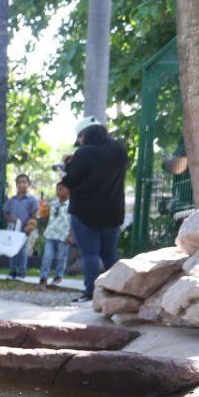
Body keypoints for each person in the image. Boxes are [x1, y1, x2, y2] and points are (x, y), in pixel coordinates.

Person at [63, 117, 128, 300]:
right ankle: (118, 290)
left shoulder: (84, 152)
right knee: (110, 253)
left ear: (84, 135)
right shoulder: (119, 149)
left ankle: (91, 291)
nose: (80, 143)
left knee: (90, 253)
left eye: (80, 139)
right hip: (113, 211)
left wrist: (65, 169)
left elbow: (70, 180)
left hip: (84, 212)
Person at [3, 174, 39, 281]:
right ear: (16, 184)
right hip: (13, 228)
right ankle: (12, 271)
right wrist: (10, 219)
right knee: (12, 249)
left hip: (25, 228)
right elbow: (5, 213)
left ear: (28, 184)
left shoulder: (31, 200)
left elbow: (34, 214)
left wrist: (30, 226)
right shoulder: (12, 200)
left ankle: (21, 272)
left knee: (22, 250)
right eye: (19, 182)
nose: (21, 184)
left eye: (24, 182)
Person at [38, 181, 72, 287]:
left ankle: (58, 276)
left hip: (63, 235)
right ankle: (43, 277)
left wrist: (71, 235)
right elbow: (45, 216)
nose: (58, 191)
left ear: (69, 190)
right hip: (50, 234)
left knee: (61, 257)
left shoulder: (72, 205)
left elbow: (74, 221)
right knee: (47, 256)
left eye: (61, 189)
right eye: (57, 189)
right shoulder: (53, 203)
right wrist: (43, 209)